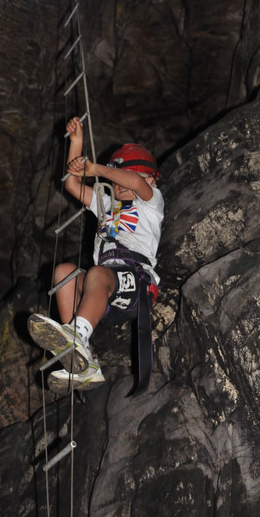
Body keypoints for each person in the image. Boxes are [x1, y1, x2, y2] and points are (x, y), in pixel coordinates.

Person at [28, 116, 164, 393]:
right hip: (105, 288)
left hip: (135, 282)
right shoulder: (106, 203)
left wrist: (96, 168)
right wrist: (76, 144)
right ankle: (82, 359)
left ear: (150, 179)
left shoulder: (152, 203)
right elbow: (72, 186)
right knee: (64, 273)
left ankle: (77, 335)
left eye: (125, 176)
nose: (118, 185)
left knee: (97, 273)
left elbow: (135, 183)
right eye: (114, 181)